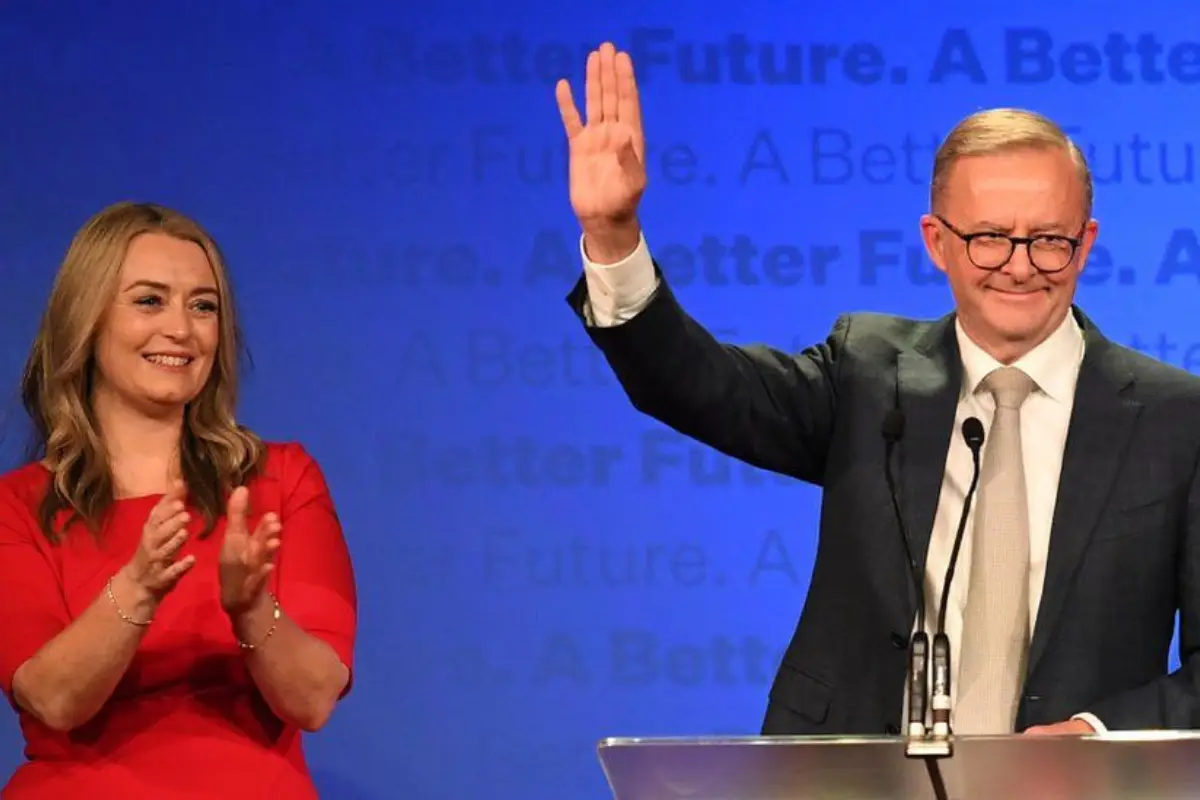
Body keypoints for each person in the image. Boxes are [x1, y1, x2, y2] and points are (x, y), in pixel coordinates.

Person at [555, 42, 1200, 736]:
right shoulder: (867, 374)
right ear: (936, 241)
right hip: (851, 779)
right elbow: (697, 386)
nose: (1019, 267)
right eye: (989, 237)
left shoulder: (1177, 420)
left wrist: (1094, 738)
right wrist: (613, 235)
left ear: (1087, 240)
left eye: (1048, 239)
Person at [0, 202, 357, 797]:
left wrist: (249, 608)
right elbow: (53, 698)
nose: (181, 329)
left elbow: (314, 699)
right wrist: (136, 589)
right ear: (85, 322)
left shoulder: (281, 480)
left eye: (203, 306)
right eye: (149, 301)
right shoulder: (18, 506)